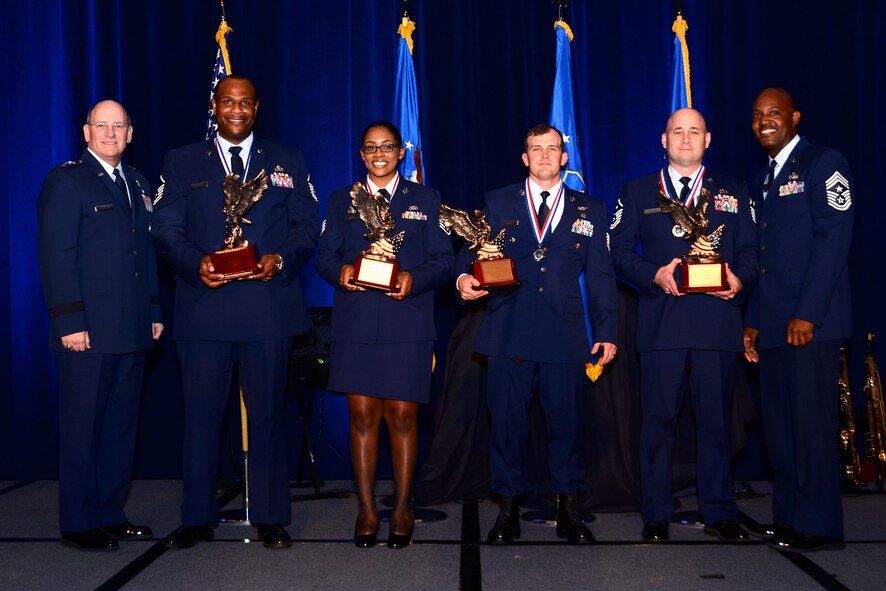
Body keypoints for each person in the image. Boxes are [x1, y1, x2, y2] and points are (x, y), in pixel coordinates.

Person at [151, 74, 318, 549]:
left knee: (266, 415)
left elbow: (306, 227)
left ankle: (270, 516)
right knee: (201, 416)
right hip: (204, 310)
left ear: (257, 107)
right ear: (215, 105)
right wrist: (194, 263)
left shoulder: (287, 159)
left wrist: (280, 258)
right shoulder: (182, 161)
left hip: (267, 310)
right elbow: (164, 229)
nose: (237, 109)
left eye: (245, 102)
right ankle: (197, 516)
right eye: (229, 102)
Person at [457, 124, 617, 545]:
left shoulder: (591, 210)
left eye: (553, 148)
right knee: (507, 427)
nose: (545, 155)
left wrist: (607, 331)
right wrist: (462, 279)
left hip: (566, 337)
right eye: (536, 149)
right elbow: (469, 253)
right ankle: (507, 511)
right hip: (509, 331)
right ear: (524, 158)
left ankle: (568, 511)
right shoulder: (498, 202)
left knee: (567, 426)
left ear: (565, 158)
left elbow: (600, 277)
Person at [609, 108, 757, 542]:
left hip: (716, 323)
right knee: (657, 421)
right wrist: (652, 273)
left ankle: (719, 510)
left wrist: (739, 278)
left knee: (715, 421)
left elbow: (751, 252)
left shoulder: (734, 190)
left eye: (695, 131)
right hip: (662, 324)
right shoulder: (637, 192)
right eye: (678, 131)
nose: (686, 139)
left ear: (708, 139)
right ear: (663, 140)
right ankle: (655, 511)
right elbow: (616, 251)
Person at [316, 121, 453, 549]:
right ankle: (367, 509)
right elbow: (324, 256)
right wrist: (338, 271)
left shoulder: (426, 200)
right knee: (361, 418)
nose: (379, 154)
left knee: (402, 417)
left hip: (406, 323)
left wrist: (414, 278)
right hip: (356, 323)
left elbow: (444, 260)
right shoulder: (343, 200)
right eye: (371, 148)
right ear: (361, 155)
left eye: (387, 147)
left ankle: (403, 507)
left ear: (399, 152)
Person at [37, 100, 163, 552]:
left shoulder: (140, 183)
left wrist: (153, 311)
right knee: (82, 429)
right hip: (86, 332)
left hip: (131, 328)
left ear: (130, 134)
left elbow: (144, 255)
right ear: (86, 132)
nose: (110, 133)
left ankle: (110, 511)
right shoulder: (66, 181)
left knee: (120, 427)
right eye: (101, 125)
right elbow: (57, 257)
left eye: (119, 126)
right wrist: (69, 321)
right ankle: (78, 520)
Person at [744, 88, 853, 552]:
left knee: (809, 426)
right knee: (781, 429)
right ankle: (789, 517)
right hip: (770, 325)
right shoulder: (762, 177)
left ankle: (820, 524)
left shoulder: (824, 163)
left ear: (794, 117)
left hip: (810, 325)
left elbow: (833, 243)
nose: (765, 121)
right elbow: (761, 256)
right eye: (757, 116)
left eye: (774, 113)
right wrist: (752, 320)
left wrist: (806, 313)